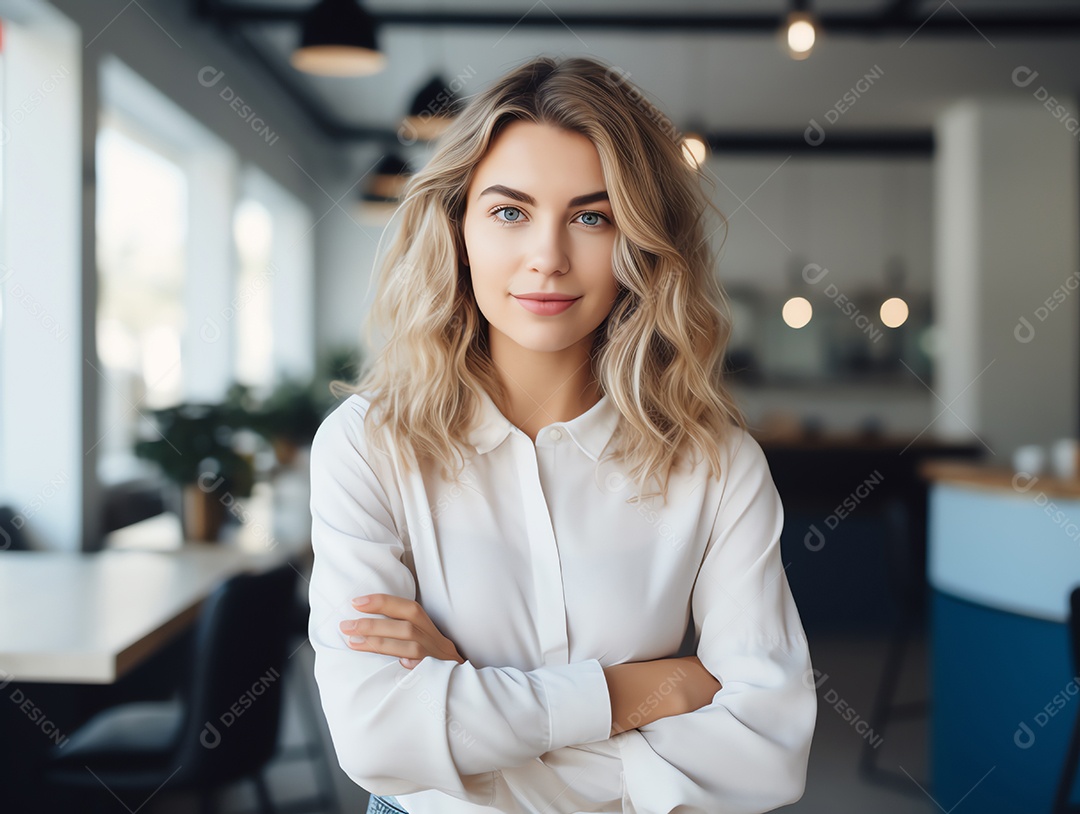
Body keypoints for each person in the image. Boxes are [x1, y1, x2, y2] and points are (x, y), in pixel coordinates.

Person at [308, 55, 816, 814]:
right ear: (460, 229)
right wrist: (650, 688)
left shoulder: (716, 464)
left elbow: (766, 752)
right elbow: (376, 739)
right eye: (510, 211)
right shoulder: (367, 445)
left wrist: (467, 694)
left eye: (591, 216)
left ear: (638, 244)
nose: (547, 257)